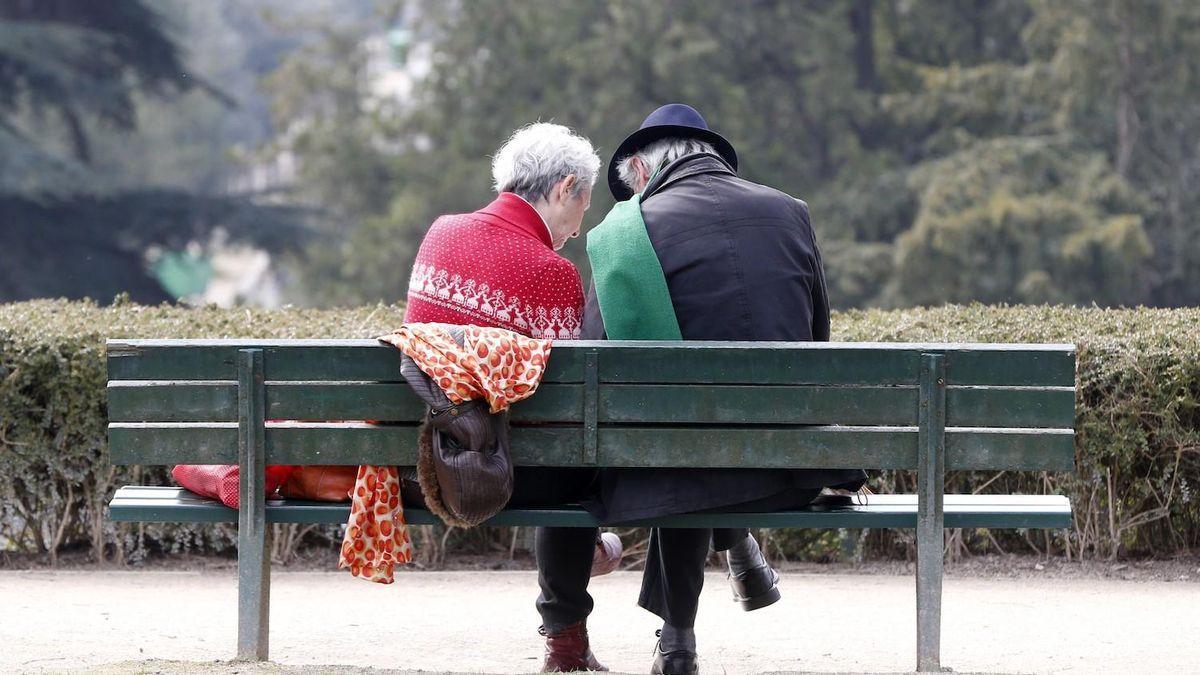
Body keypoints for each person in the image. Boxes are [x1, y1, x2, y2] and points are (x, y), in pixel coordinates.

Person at [537, 104, 867, 675]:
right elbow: (818, 342)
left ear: (642, 172)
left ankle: (654, 639)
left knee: (674, 443)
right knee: (693, 439)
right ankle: (719, 579)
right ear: (710, 156)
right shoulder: (791, 213)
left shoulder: (624, 234)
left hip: (676, 474)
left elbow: (596, 370)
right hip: (786, 467)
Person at [401, 122, 623, 583]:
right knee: (579, 464)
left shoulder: (440, 233)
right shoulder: (553, 271)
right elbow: (561, 410)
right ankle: (566, 638)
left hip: (419, 466)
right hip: (501, 474)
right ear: (565, 189)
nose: (580, 228)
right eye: (584, 203)